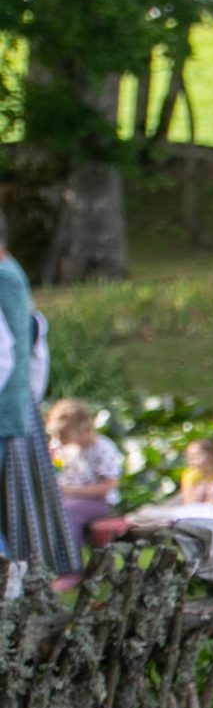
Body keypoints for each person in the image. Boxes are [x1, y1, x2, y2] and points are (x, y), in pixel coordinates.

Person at [0, 213, 74, 579]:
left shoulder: (4, 278)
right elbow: (33, 340)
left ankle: (12, 588)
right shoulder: (11, 273)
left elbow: (4, 353)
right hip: (15, 407)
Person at [47, 400, 124, 547]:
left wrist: (71, 492)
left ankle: (70, 559)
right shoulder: (63, 449)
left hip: (99, 502)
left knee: (67, 512)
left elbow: (109, 485)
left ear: (82, 429)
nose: (59, 439)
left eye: (63, 435)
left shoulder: (102, 448)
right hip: (64, 499)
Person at [179, 437, 213, 511]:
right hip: (195, 513)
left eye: (195, 458)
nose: (191, 462)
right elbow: (188, 501)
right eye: (189, 458)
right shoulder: (190, 475)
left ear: (210, 457)